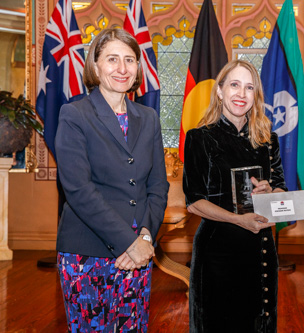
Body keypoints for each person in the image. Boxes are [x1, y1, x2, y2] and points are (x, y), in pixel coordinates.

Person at [54, 28, 169, 332]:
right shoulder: (74, 115)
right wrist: (129, 243)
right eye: (112, 59)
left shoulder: (149, 118)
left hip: (138, 255)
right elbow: (78, 190)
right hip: (87, 253)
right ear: (95, 66)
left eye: (130, 60)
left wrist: (145, 237)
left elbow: (157, 186)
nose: (122, 68)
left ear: (138, 69)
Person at [183, 59, 287, 333]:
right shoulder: (199, 138)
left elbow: (281, 191)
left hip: (260, 251)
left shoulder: (269, 140)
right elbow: (194, 202)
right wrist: (237, 219)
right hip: (218, 254)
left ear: (256, 96)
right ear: (220, 91)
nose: (241, 94)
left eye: (249, 87)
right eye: (235, 85)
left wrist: (270, 192)